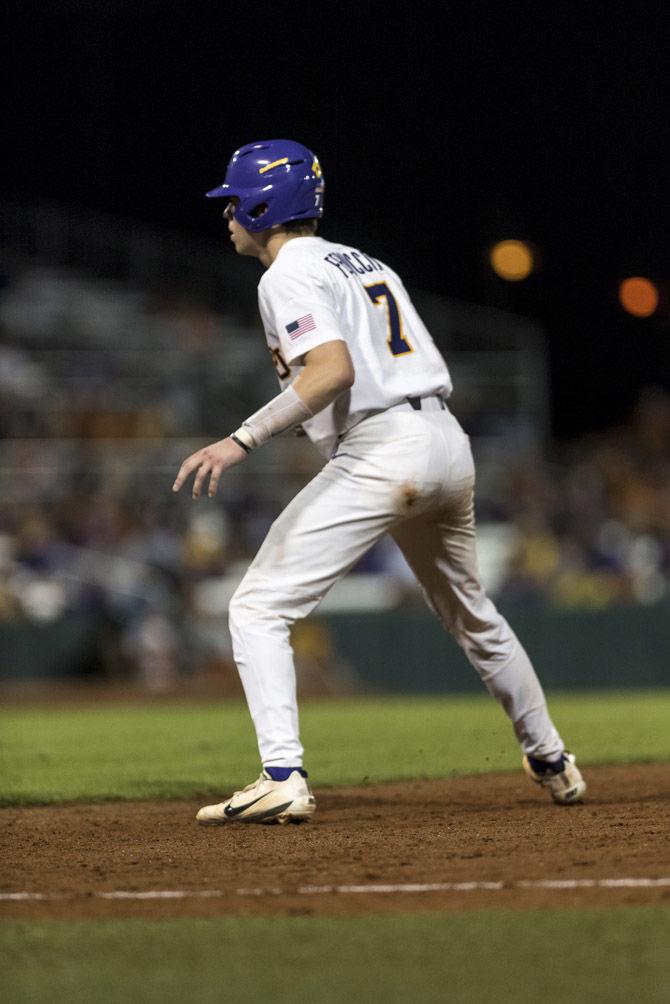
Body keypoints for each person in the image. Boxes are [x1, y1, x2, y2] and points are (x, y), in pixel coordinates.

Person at [172, 139, 586, 824]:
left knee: (256, 608)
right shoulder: (364, 261)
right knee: (473, 615)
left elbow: (331, 371)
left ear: (262, 204)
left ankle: (282, 775)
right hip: (445, 442)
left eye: (232, 201)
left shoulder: (285, 274)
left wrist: (241, 438)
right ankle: (551, 758)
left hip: (383, 448)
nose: (226, 215)